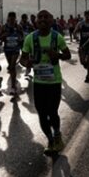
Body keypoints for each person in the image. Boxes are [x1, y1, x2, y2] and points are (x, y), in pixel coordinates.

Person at [19, 10, 71, 155]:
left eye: (46, 17)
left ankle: (57, 135)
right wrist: (26, 63)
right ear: (36, 21)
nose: (42, 19)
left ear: (51, 20)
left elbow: (68, 55)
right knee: (42, 113)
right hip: (39, 82)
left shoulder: (56, 37)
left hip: (54, 81)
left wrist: (57, 55)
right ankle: (49, 139)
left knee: (52, 112)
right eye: (40, 17)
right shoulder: (30, 38)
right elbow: (22, 59)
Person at [0, 11, 24, 96]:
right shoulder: (4, 27)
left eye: (13, 19)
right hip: (7, 49)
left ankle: (13, 87)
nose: (12, 20)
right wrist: (4, 36)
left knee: (12, 66)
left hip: (15, 49)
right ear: (8, 18)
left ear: (15, 18)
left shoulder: (18, 27)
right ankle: (14, 84)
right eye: (10, 19)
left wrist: (19, 38)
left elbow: (22, 37)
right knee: (11, 67)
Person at [75, 10, 89, 83]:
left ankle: (88, 76)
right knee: (83, 62)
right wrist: (75, 36)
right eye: (86, 15)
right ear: (84, 15)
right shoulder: (80, 24)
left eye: (88, 15)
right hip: (82, 45)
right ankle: (85, 65)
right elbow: (75, 31)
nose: (87, 16)